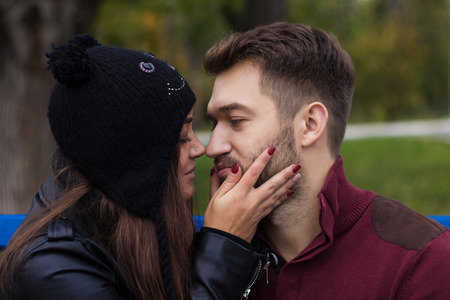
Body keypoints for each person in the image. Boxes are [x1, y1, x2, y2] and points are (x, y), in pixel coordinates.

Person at [0, 34, 302, 300]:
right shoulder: (51, 268)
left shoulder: (132, 222)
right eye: (182, 136)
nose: (201, 148)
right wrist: (225, 244)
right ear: (132, 156)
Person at [203, 22, 450, 299]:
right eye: (213, 124)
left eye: (236, 121)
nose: (212, 147)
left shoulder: (418, 260)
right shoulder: (203, 254)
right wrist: (219, 254)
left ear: (309, 125)